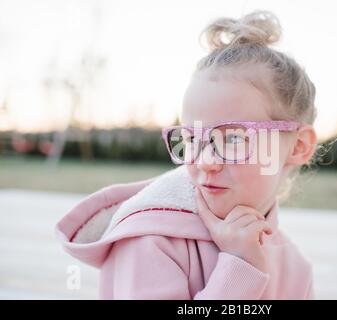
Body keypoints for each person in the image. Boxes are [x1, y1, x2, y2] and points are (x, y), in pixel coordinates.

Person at [55, 10, 318, 299]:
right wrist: (240, 270)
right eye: (192, 139)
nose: (205, 161)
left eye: (232, 138)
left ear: (298, 147)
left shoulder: (297, 269)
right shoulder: (150, 240)